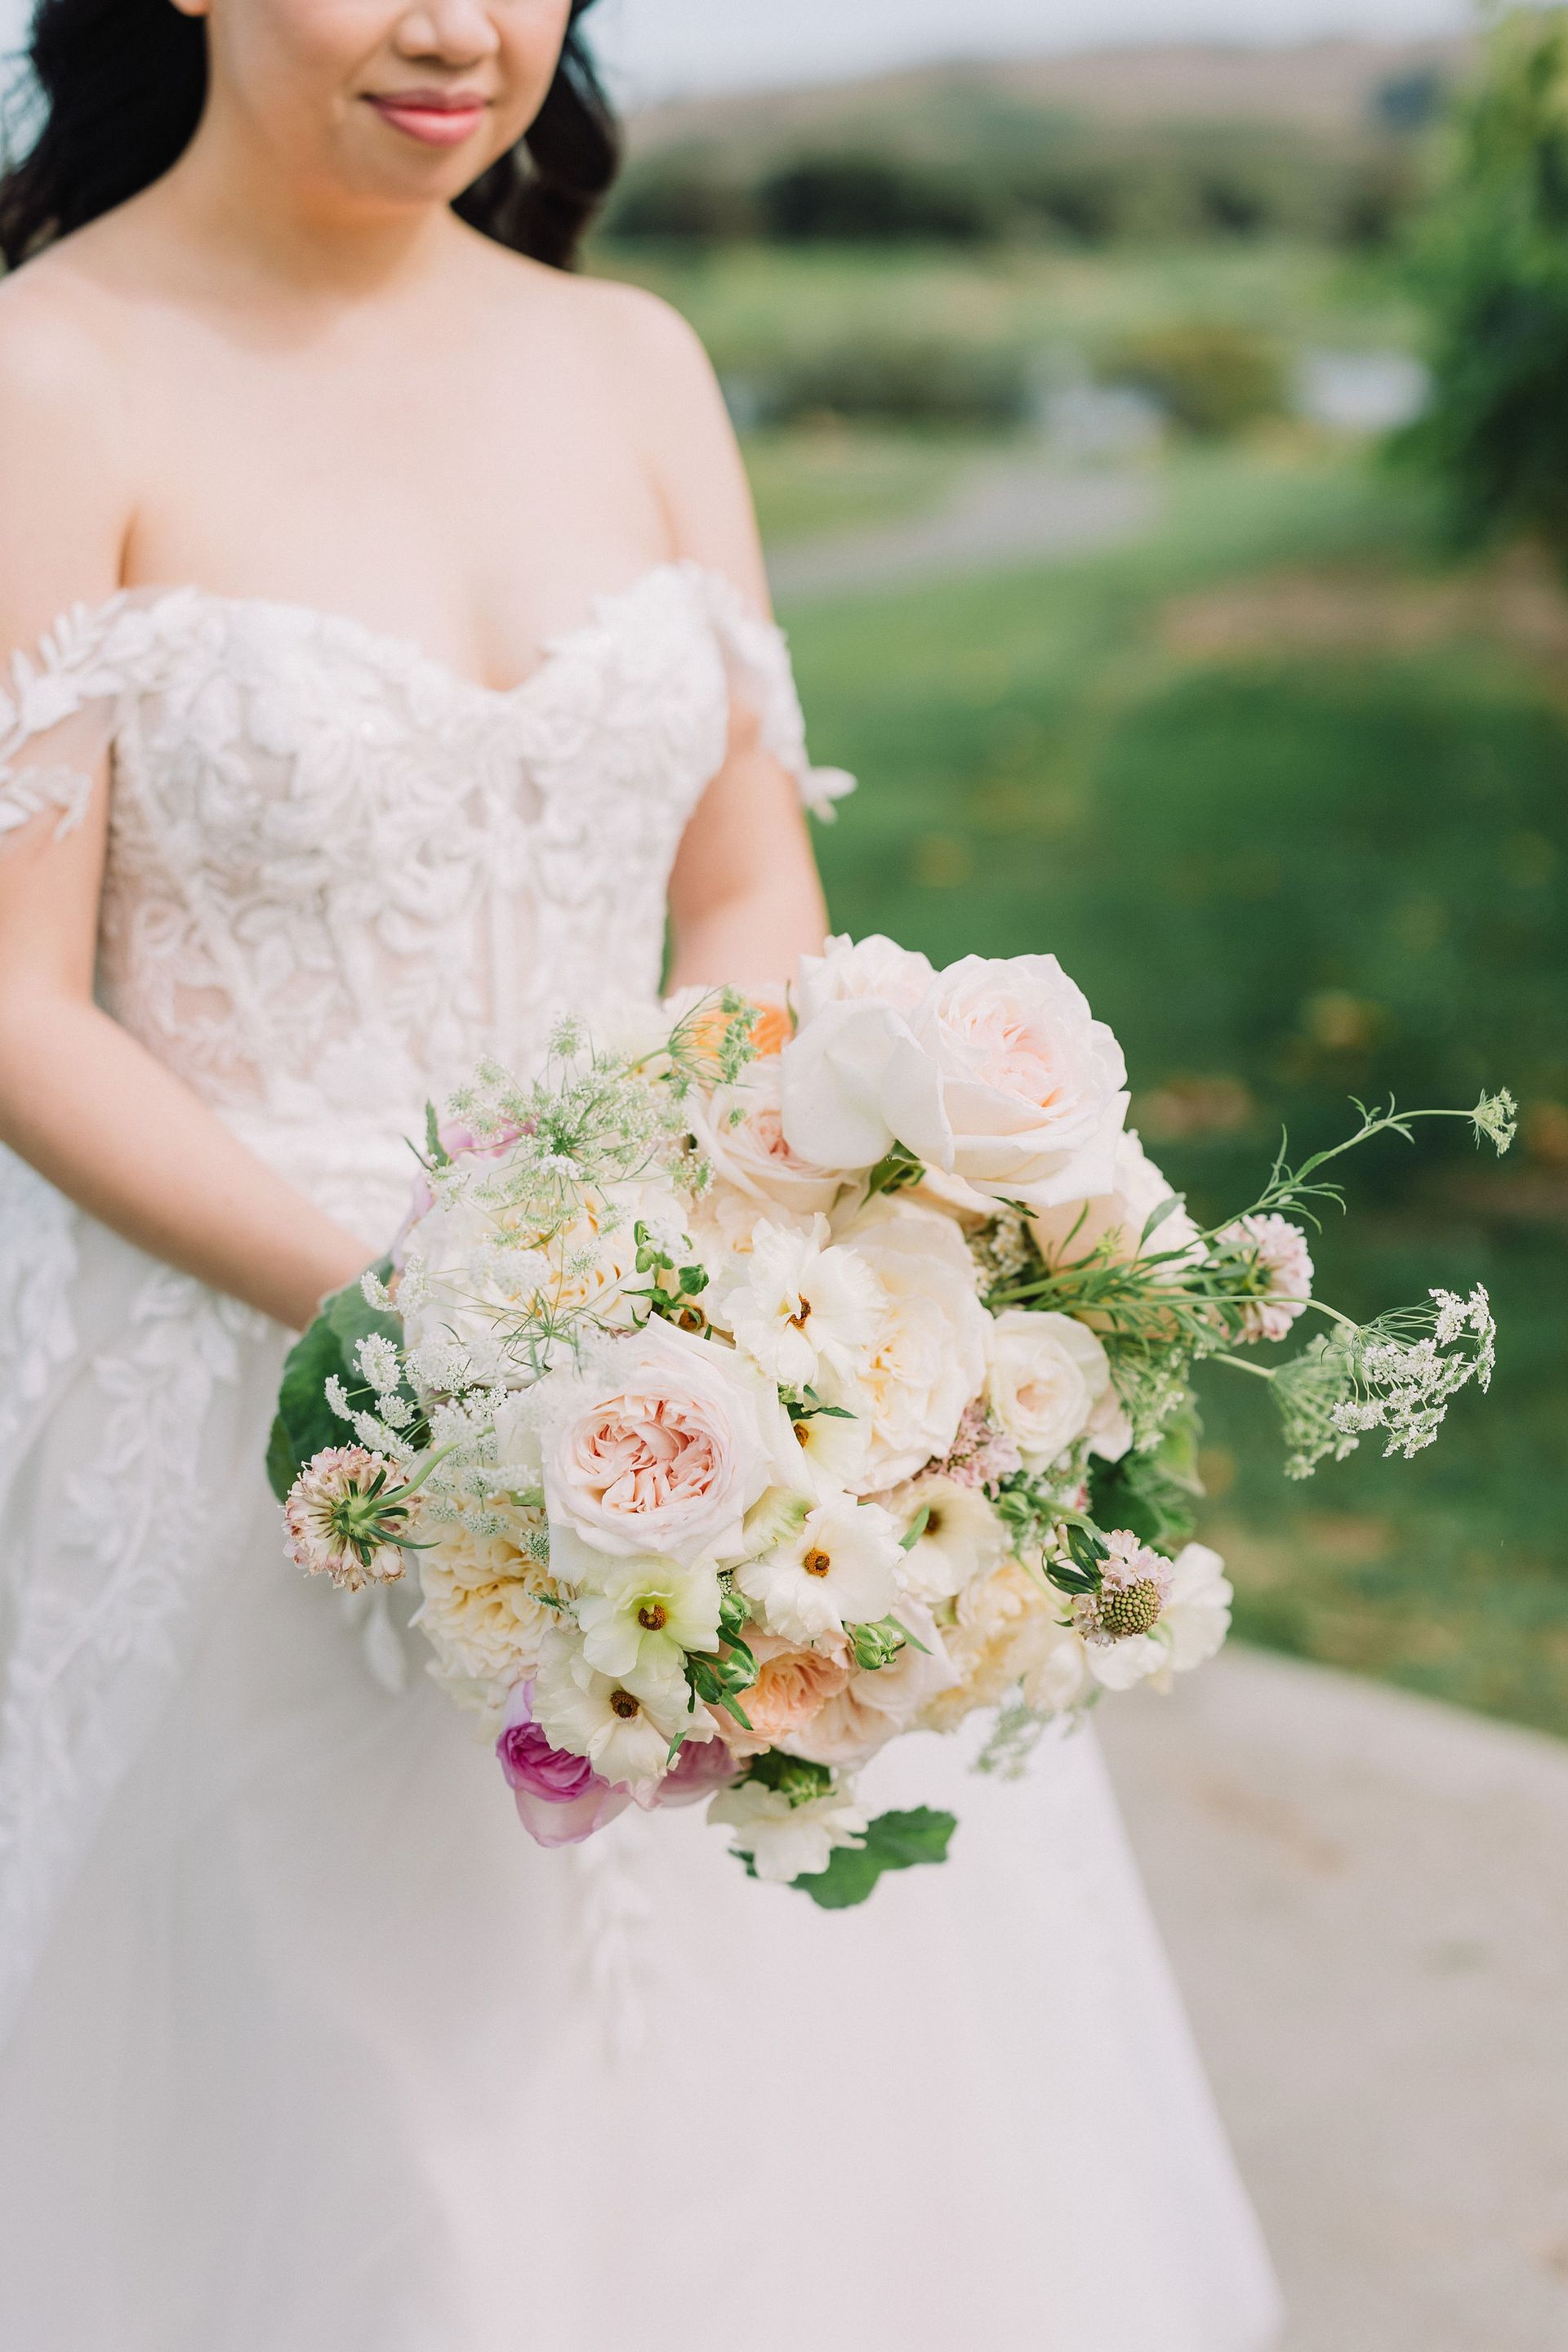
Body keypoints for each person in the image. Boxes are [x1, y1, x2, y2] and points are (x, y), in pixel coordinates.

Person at [0, 5, 1284, 2346]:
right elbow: (17, 1004)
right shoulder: (50, 374)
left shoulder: (636, 362)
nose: (463, 27)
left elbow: (742, 884)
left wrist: (712, 1284)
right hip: (247, 1418)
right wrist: (415, 1335)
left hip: (693, 1389)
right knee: (375, 2179)